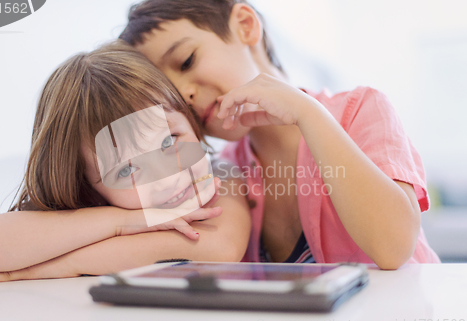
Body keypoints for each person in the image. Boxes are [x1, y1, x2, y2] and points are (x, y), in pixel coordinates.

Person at [119, 0, 441, 268]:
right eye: (169, 92)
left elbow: (393, 247)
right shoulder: (226, 172)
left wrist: (307, 113)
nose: (184, 94)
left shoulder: (362, 110)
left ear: (245, 25)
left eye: (187, 60)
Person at [0, 41, 251, 283]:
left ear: (191, 123)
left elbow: (220, 247)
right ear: (85, 184)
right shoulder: (103, 211)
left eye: (168, 141)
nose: (166, 176)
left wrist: (65, 265)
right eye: (127, 169)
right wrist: (124, 221)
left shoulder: (221, 174)